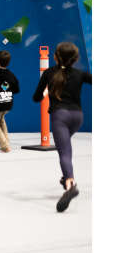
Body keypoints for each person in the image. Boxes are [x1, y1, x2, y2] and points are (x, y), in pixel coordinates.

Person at [32, 42, 91, 212]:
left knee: (64, 152)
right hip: (77, 117)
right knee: (65, 148)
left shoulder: (49, 73)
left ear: (55, 57)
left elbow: (36, 98)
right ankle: (66, 176)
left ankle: (70, 184)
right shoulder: (80, 74)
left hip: (60, 116)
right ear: (75, 58)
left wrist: (46, 91)